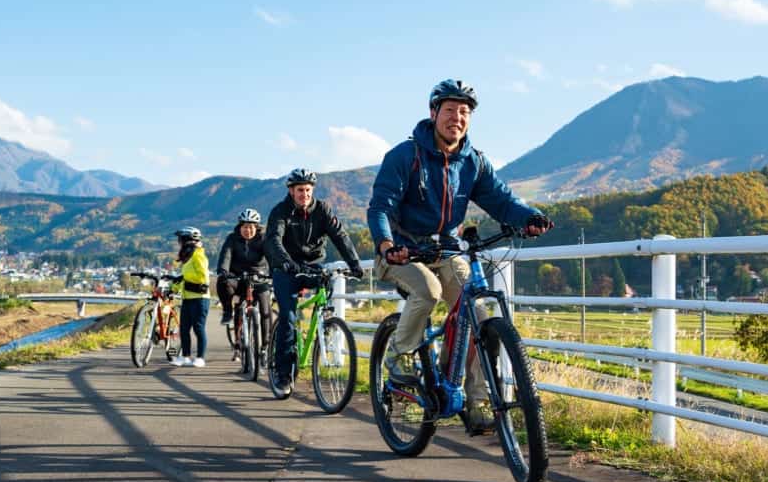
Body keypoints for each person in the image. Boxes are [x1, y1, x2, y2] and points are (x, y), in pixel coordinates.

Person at [367, 79, 554, 434]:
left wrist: (528, 217)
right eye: (450, 109)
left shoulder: (473, 162)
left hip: (447, 249)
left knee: (478, 315)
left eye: (464, 112)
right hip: (401, 251)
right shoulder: (404, 156)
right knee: (428, 291)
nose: (457, 117)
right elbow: (380, 207)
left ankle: (476, 400)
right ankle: (399, 354)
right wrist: (386, 245)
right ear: (433, 113)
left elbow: (501, 200)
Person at [265, 168, 365, 398]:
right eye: (300, 190)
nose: (305, 194)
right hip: (286, 267)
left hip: (313, 265)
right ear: (291, 191)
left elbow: (340, 235)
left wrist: (354, 263)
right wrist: (286, 262)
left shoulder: (323, 210)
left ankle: (322, 329)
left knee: (323, 303)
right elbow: (273, 240)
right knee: (288, 318)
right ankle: (283, 374)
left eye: (308, 190)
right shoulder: (280, 211)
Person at [215, 207, 272, 353]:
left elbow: (272, 257)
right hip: (238, 278)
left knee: (266, 309)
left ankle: (265, 346)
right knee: (223, 283)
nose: (248, 230)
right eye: (245, 227)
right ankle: (228, 312)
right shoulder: (232, 239)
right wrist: (223, 270)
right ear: (240, 227)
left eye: (252, 227)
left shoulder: (263, 239)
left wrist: (273, 271)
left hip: (258, 277)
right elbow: (226, 256)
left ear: (257, 228)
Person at [170, 226, 210, 368]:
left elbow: (202, 276)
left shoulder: (198, 254)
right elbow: (184, 278)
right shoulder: (187, 256)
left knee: (198, 328)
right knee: (184, 329)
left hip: (200, 298)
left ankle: (200, 357)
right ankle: (185, 357)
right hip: (187, 298)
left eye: (181, 239)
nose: (179, 242)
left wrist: (184, 278)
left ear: (187, 240)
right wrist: (173, 287)